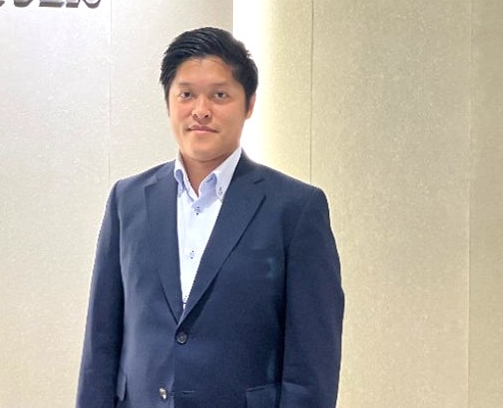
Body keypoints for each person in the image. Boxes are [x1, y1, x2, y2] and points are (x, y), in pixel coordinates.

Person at [76, 27, 344, 408]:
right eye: (186, 94)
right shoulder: (127, 200)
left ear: (249, 104)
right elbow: (100, 345)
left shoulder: (295, 209)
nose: (200, 110)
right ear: (168, 102)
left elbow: (311, 368)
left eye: (219, 95)